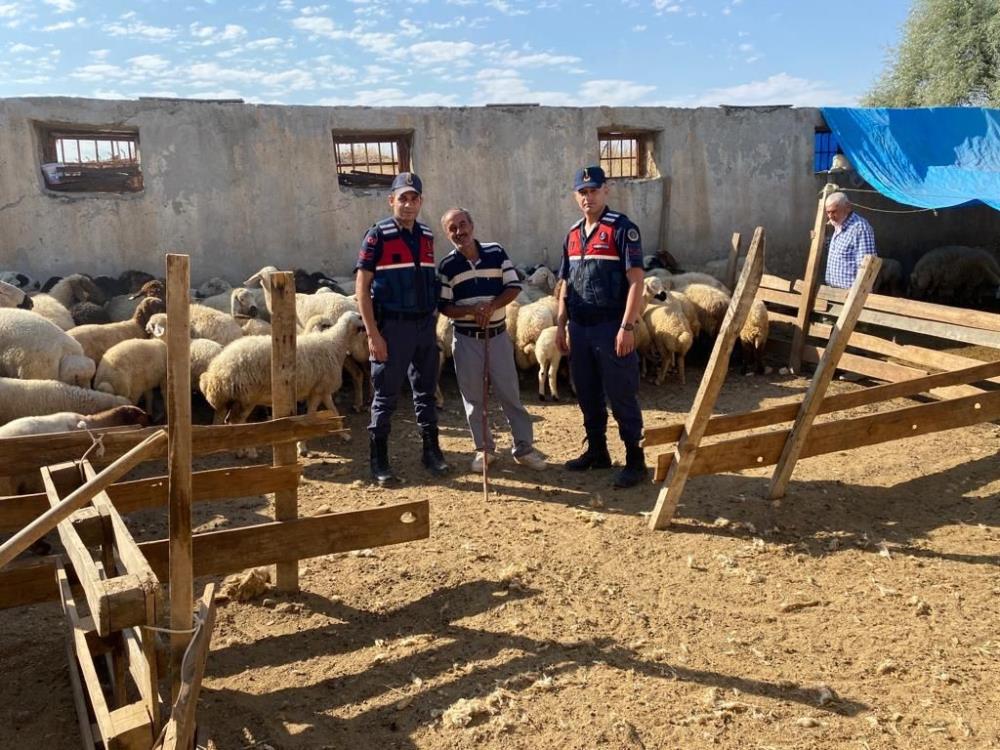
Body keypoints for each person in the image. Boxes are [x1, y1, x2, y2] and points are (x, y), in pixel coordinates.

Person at [555, 165, 647, 488]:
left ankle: (636, 460)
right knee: (587, 392)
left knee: (622, 393)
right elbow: (565, 283)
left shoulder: (622, 229)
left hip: (611, 327)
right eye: (582, 192)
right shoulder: (572, 235)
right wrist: (560, 323)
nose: (588, 197)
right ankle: (597, 451)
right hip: (579, 328)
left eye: (593, 190)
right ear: (575, 196)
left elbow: (636, 281)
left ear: (606, 190)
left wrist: (628, 326)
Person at [355, 172, 449, 485]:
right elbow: (362, 287)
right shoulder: (377, 235)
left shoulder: (425, 234)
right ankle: (378, 460)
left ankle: (431, 451)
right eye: (403, 198)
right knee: (385, 395)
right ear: (391, 199)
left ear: (421, 201)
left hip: (424, 325)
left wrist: (433, 321)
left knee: (426, 390)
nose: (408, 204)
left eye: (414, 198)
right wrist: (373, 334)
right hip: (391, 327)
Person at [437, 207, 547, 473]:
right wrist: (471, 311)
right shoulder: (447, 266)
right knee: (474, 398)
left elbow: (512, 287)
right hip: (466, 339)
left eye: (462, 224)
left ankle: (524, 448)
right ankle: (484, 450)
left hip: (497, 336)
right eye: (452, 228)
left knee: (510, 393)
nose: (459, 231)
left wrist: (491, 306)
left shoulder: (495, 252)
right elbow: (445, 306)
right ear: (447, 233)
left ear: (472, 225)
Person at [824, 191, 877, 288]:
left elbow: (866, 269)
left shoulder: (860, 228)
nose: (830, 216)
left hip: (850, 296)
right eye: (828, 212)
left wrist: (856, 294)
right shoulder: (838, 226)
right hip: (833, 292)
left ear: (847, 207)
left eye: (834, 211)